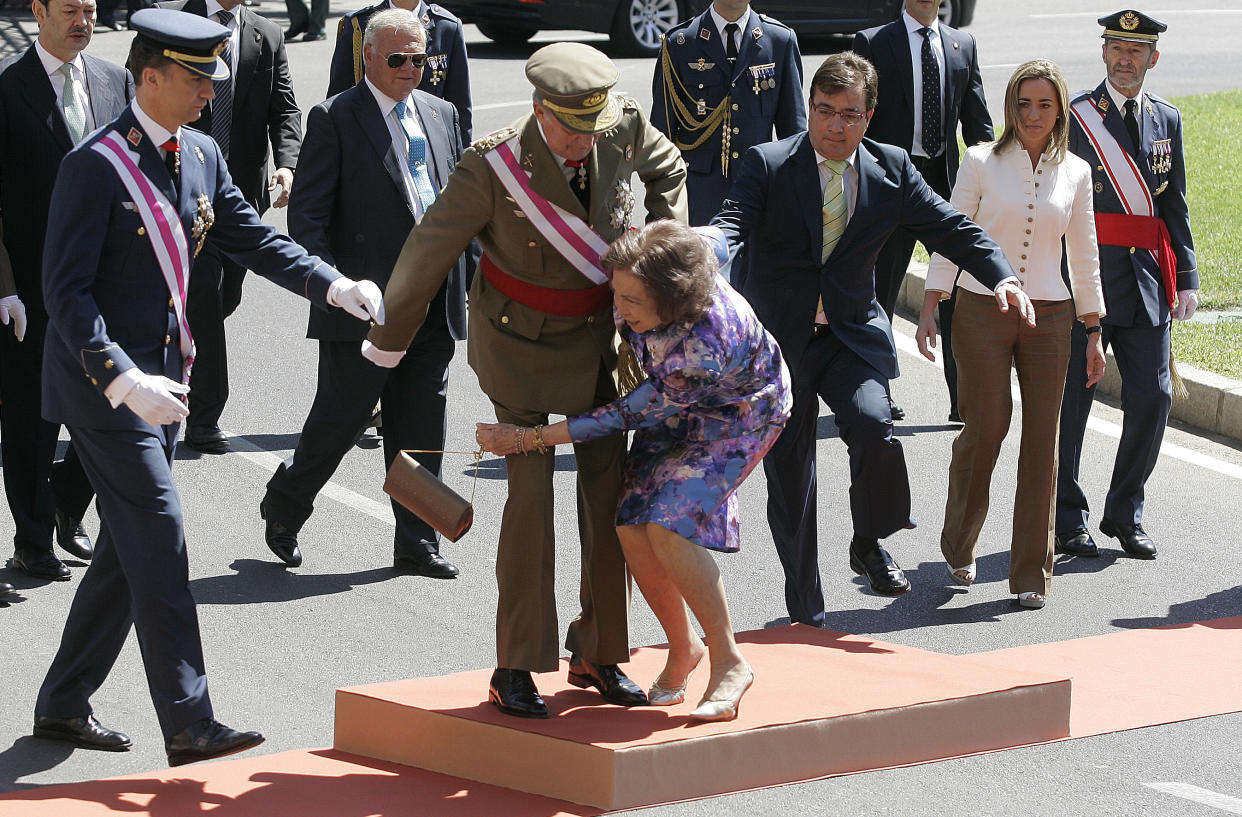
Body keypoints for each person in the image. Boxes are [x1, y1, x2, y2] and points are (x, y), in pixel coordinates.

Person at [33, 8, 383, 765]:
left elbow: (250, 237)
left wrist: (332, 285)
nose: (208, 94)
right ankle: (189, 719)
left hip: (166, 382)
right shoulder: (93, 166)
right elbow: (65, 295)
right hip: (105, 389)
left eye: (211, 81)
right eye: (195, 80)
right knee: (160, 532)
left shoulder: (200, 153)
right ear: (149, 75)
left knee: (127, 553)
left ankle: (61, 703)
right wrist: (123, 381)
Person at [365, 42, 687, 719]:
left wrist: (662, 253)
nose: (581, 142)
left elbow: (668, 167)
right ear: (540, 109)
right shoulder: (491, 166)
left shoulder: (618, 122)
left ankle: (599, 652)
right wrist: (386, 344)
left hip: (603, 341)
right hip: (520, 345)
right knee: (531, 502)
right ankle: (515, 662)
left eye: (589, 128)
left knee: (609, 501)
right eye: (568, 127)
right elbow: (428, 251)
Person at [710, 52, 1033, 628]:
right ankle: (805, 604)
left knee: (874, 426)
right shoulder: (769, 164)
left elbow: (953, 229)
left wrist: (1003, 275)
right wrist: (707, 250)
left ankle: (869, 540)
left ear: (870, 116)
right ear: (809, 110)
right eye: (825, 112)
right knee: (793, 474)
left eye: (850, 115)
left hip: (850, 335)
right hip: (779, 345)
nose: (836, 126)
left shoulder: (893, 170)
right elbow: (732, 222)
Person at [478, 222, 790, 720]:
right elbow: (717, 236)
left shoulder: (701, 346)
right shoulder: (681, 260)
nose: (617, 309)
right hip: (677, 404)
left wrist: (528, 438)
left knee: (667, 528)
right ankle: (683, 646)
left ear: (673, 299)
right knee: (629, 524)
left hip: (737, 417)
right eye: (615, 294)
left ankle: (730, 661)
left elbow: (624, 415)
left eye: (632, 301)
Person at [260, 8, 469, 575]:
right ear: (369, 57)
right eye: (397, 59)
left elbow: (465, 207)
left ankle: (416, 540)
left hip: (435, 298)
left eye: (419, 59)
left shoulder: (443, 114)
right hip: (365, 303)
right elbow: (307, 220)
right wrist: (335, 287)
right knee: (342, 416)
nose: (410, 69)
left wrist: (469, 279)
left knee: (422, 422)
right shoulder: (334, 118)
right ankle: (285, 504)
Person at [915, 59, 1107, 609]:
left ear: (1060, 109)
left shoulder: (1076, 171)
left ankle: (1029, 574)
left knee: (1043, 441)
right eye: (1023, 104)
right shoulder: (980, 161)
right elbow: (951, 233)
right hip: (981, 309)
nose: (1033, 114)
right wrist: (932, 302)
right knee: (987, 428)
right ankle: (958, 544)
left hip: (1052, 316)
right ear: (1009, 108)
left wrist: (1093, 329)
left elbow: (1085, 254)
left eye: (1044, 104)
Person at [1055, 10, 1197, 562]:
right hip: (1084, 277)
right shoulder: (1075, 117)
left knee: (1155, 395)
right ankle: (1068, 517)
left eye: (1136, 52)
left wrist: (1184, 276)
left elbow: (1173, 204)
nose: (1125, 59)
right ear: (1104, 52)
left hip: (1144, 282)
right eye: (1116, 48)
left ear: (1152, 58)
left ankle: (1124, 512)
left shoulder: (1168, 119)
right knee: (1072, 401)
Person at [0, 0, 134, 580]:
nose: (83, 20)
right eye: (70, 10)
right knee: (33, 421)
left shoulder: (114, 79)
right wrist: (4, 287)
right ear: (38, 12)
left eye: (91, 9)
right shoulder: (9, 90)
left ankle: (65, 506)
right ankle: (32, 538)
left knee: (112, 401)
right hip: (33, 287)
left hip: (107, 282)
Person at [156, 0, 302, 453]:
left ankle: (173, 359)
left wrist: (287, 166)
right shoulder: (175, 23)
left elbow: (285, 110)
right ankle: (203, 417)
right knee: (205, 294)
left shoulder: (267, 34)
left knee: (222, 299)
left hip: (239, 193)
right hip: (181, 187)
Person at [853, 0, 994, 422]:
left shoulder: (962, 45)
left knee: (957, 293)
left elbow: (978, 125)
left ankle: (962, 398)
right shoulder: (874, 43)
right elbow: (861, 117)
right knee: (880, 292)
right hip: (892, 187)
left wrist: (993, 177)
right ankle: (875, 390)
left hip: (948, 188)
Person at [651, 0, 804, 225]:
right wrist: (663, 207)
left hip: (759, 191)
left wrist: (793, 195)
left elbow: (793, 133)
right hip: (697, 194)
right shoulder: (680, 43)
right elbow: (661, 134)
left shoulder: (779, 40)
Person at [327, 0, 471, 145]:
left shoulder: (446, 26)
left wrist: (462, 160)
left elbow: (460, 108)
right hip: (371, 143)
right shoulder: (359, 25)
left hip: (430, 144)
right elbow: (337, 101)